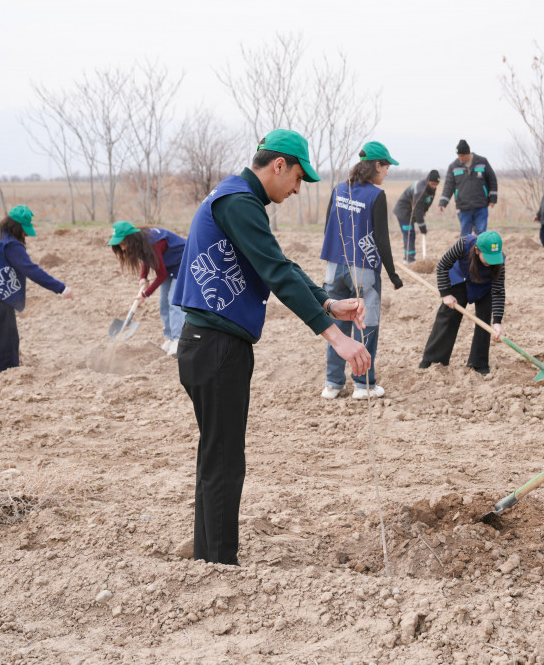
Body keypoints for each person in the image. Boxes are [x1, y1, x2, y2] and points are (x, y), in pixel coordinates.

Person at [173, 129, 370, 566]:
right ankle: (220, 565)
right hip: (217, 347)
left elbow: (280, 265)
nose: (298, 189)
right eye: (298, 178)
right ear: (278, 165)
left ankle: (209, 560)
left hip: (207, 344)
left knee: (216, 456)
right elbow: (276, 270)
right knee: (225, 462)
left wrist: (328, 302)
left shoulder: (238, 198)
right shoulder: (239, 201)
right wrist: (334, 335)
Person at [319, 141, 404, 400]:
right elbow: (382, 240)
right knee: (366, 325)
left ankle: (332, 385)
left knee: (336, 324)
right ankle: (363, 384)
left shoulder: (339, 188)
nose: (387, 172)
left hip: (333, 267)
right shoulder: (376, 195)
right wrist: (393, 275)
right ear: (376, 165)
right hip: (363, 271)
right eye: (386, 166)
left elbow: (327, 227)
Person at [0, 205, 74, 373]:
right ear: (17, 227)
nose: (25, 235)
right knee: (5, 340)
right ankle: (5, 376)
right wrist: (61, 288)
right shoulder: (11, 244)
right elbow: (31, 270)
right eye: (24, 231)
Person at [418, 231, 505, 375]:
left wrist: (497, 321)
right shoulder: (463, 244)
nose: (491, 262)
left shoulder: (499, 261)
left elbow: (498, 291)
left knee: (484, 320)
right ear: (477, 250)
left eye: (494, 259)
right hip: (461, 278)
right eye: (488, 258)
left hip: (485, 286)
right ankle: (433, 359)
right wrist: (446, 294)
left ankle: (479, 363)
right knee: (448, 315)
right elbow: (442, 266)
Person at [108, 221, 187, 355]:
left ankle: (178, 339)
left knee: (174, 301)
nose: (122, 249)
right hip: (168, 265)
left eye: (123, 243)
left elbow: (161, 275)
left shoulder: (153, 242)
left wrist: (145, 294)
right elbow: (147, 258)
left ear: (130, 238)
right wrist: (143, 277)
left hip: (183, 261)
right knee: (163, 303)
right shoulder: (140, 242)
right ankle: (170, 337)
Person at [438, 139, 498, 235]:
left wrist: (493, 199)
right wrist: (443, 202)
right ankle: (466, 250)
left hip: (481, 205)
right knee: (465, 236)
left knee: (481, 233)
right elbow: (448, 185)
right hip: (463, 207)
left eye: (462, 155)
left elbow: (492, 180)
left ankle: (480, 250)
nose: (460, 158)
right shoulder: (453, 166)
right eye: (458, 155)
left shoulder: (482, 162)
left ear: (468, 153)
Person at [393, 169, 440, 263]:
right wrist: (422, 227)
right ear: (428, 181)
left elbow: (427, 202)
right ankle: (409, 259)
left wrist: (424, 210)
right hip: (404, 212)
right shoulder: (420, 190)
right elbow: (418, 211)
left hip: (412, 211)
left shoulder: (431, 188)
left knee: (411, 234)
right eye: (432, 184)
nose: (434, 186)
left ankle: (409, 257)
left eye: (436, 184)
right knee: (409, 234)